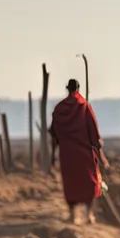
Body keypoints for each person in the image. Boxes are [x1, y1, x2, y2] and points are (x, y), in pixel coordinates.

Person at [50, 79, 107, 224]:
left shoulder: (59, 108)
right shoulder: (84, 106)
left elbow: (54, 133)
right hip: (84, 154)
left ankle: (72, 215)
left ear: (67, 88)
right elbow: (93, 131)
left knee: (71, 183)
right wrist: (100, 153)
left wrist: (53, 154)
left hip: (67, 154)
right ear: (78, 88)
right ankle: (88, 215)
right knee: (88, 183)